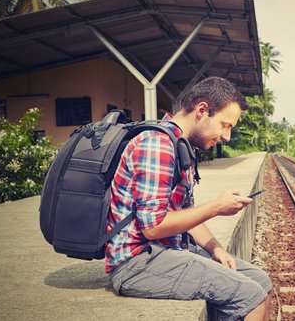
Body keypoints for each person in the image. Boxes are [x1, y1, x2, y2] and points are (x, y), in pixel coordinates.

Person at [106, 77, 272, 320]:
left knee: (261, 281)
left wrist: (216, 248)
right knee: (251, 296)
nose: (226, 136)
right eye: (225, 125)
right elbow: (153, 227)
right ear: (202, 110)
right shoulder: (157, 145)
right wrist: (216, 206)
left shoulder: (180, 145)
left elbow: (186, 214)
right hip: (137, 262)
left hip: (168, 250)